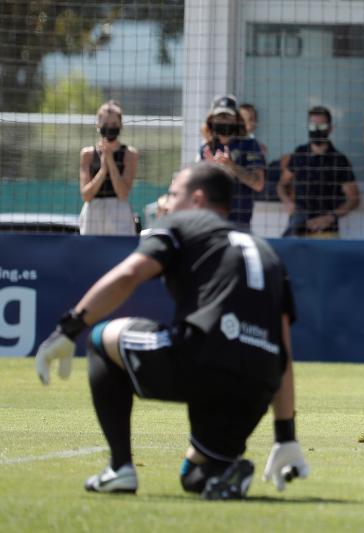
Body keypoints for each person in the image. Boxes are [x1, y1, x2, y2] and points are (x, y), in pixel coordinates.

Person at [34, 162, 309, 499]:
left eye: (173, 193)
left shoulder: (184, 222)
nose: (166, 201)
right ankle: (227, 472)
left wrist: (70, 327)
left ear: (196, 199)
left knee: (100, 339)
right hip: (256, 383)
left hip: (203, 357)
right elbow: (283, 350)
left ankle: (119, 468)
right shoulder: (268, 253)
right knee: (195, 476)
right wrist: (285, 435)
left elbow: (128, 275)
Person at [278, 106, 360, 238]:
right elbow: (282, 184)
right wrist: (287, 202)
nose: (316, 130)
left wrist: (330, 217)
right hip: (298, 230)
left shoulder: (339, 160)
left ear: (330, 128)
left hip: (327, 232)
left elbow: (354, 198)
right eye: (312, 126)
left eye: (321, 126)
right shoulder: (300, 153)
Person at [198, 95, 266, 231]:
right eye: (219, 117)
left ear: (236, 120)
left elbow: (259, 184)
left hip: (240, 223)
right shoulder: (206, 148)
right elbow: (200, 190)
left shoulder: (249, 145)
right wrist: (212, 170)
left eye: (228, 117)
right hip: (211, 223)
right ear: (211, 120)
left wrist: (230, 166)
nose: (223, 121)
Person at [79, 101, 138, 236]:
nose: (109, 128)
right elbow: (86, 195)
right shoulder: (87, 154)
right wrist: (102, 170)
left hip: (119, 212)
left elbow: (123, 193)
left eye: (113, 125)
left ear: (120, 126)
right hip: (93, 214)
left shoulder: (130, 154)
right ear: (98, 125)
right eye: (105, 124)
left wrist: (110, 162)